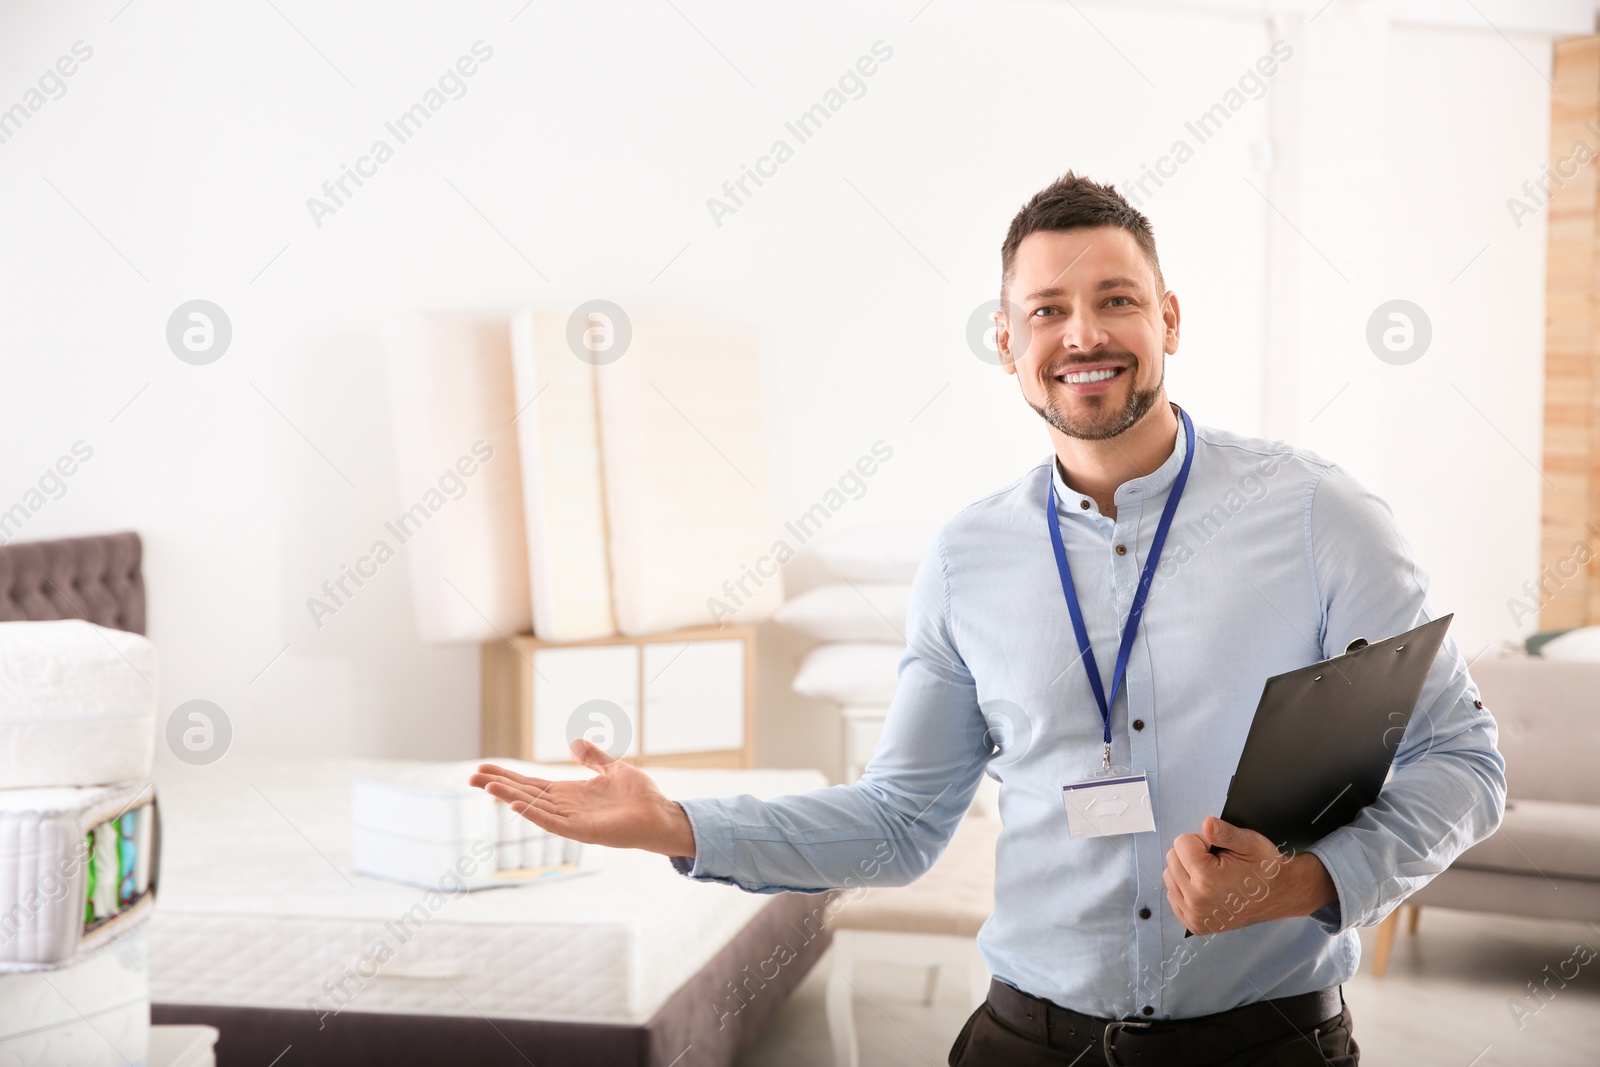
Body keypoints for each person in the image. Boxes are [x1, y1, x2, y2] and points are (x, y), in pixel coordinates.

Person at [470, 172, 1506, 1066]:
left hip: (1268, 1041)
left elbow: (1462, 759)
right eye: (1047, 310)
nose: (1083, 333)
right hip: (1026, 1041)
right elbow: (900, 822)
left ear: (1169, 319)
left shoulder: (1318, 515)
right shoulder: (968, 559)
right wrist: (677, 824)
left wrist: (1304, 882)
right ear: (1006, 342)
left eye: (1115, 299)